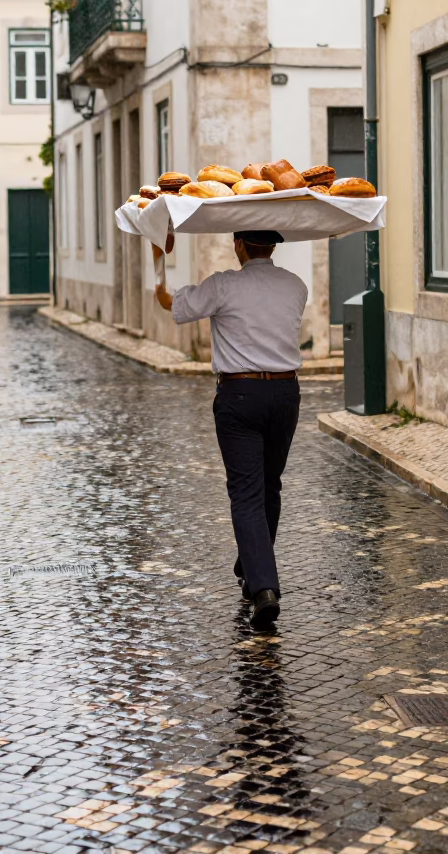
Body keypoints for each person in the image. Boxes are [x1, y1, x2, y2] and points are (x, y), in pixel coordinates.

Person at [154, 230, 307, 630]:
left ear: (239, 244)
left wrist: (157, 256)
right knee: (270, 485)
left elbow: (168, 302)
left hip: (239, 395)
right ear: (273, 246)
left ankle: (264, 589)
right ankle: (250, 565)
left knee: (246, 492)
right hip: (286, 393)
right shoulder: (296, 286)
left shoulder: (224, 285)